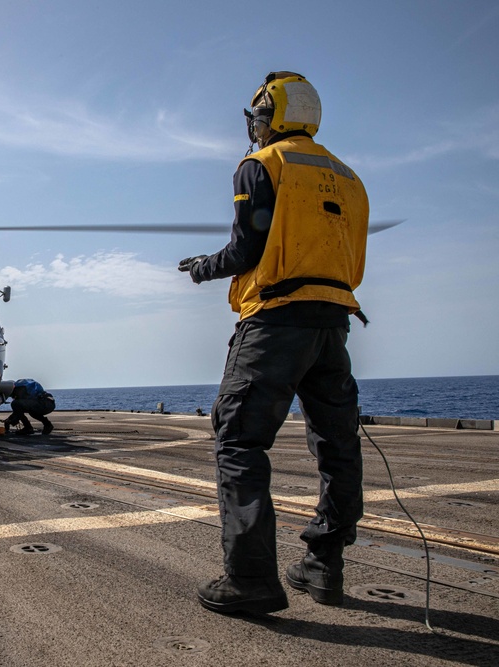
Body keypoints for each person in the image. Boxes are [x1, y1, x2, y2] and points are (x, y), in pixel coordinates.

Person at [179, 72, 368, 614]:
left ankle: (251, 579)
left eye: (257, 117)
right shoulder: (348, 177)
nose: (253, 128)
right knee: (338, 445)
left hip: (275, 323)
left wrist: (201, 268)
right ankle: (324, 564)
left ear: (271, 116)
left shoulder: (262, 166)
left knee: (239, 441)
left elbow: (244, 251)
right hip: (333, 326)